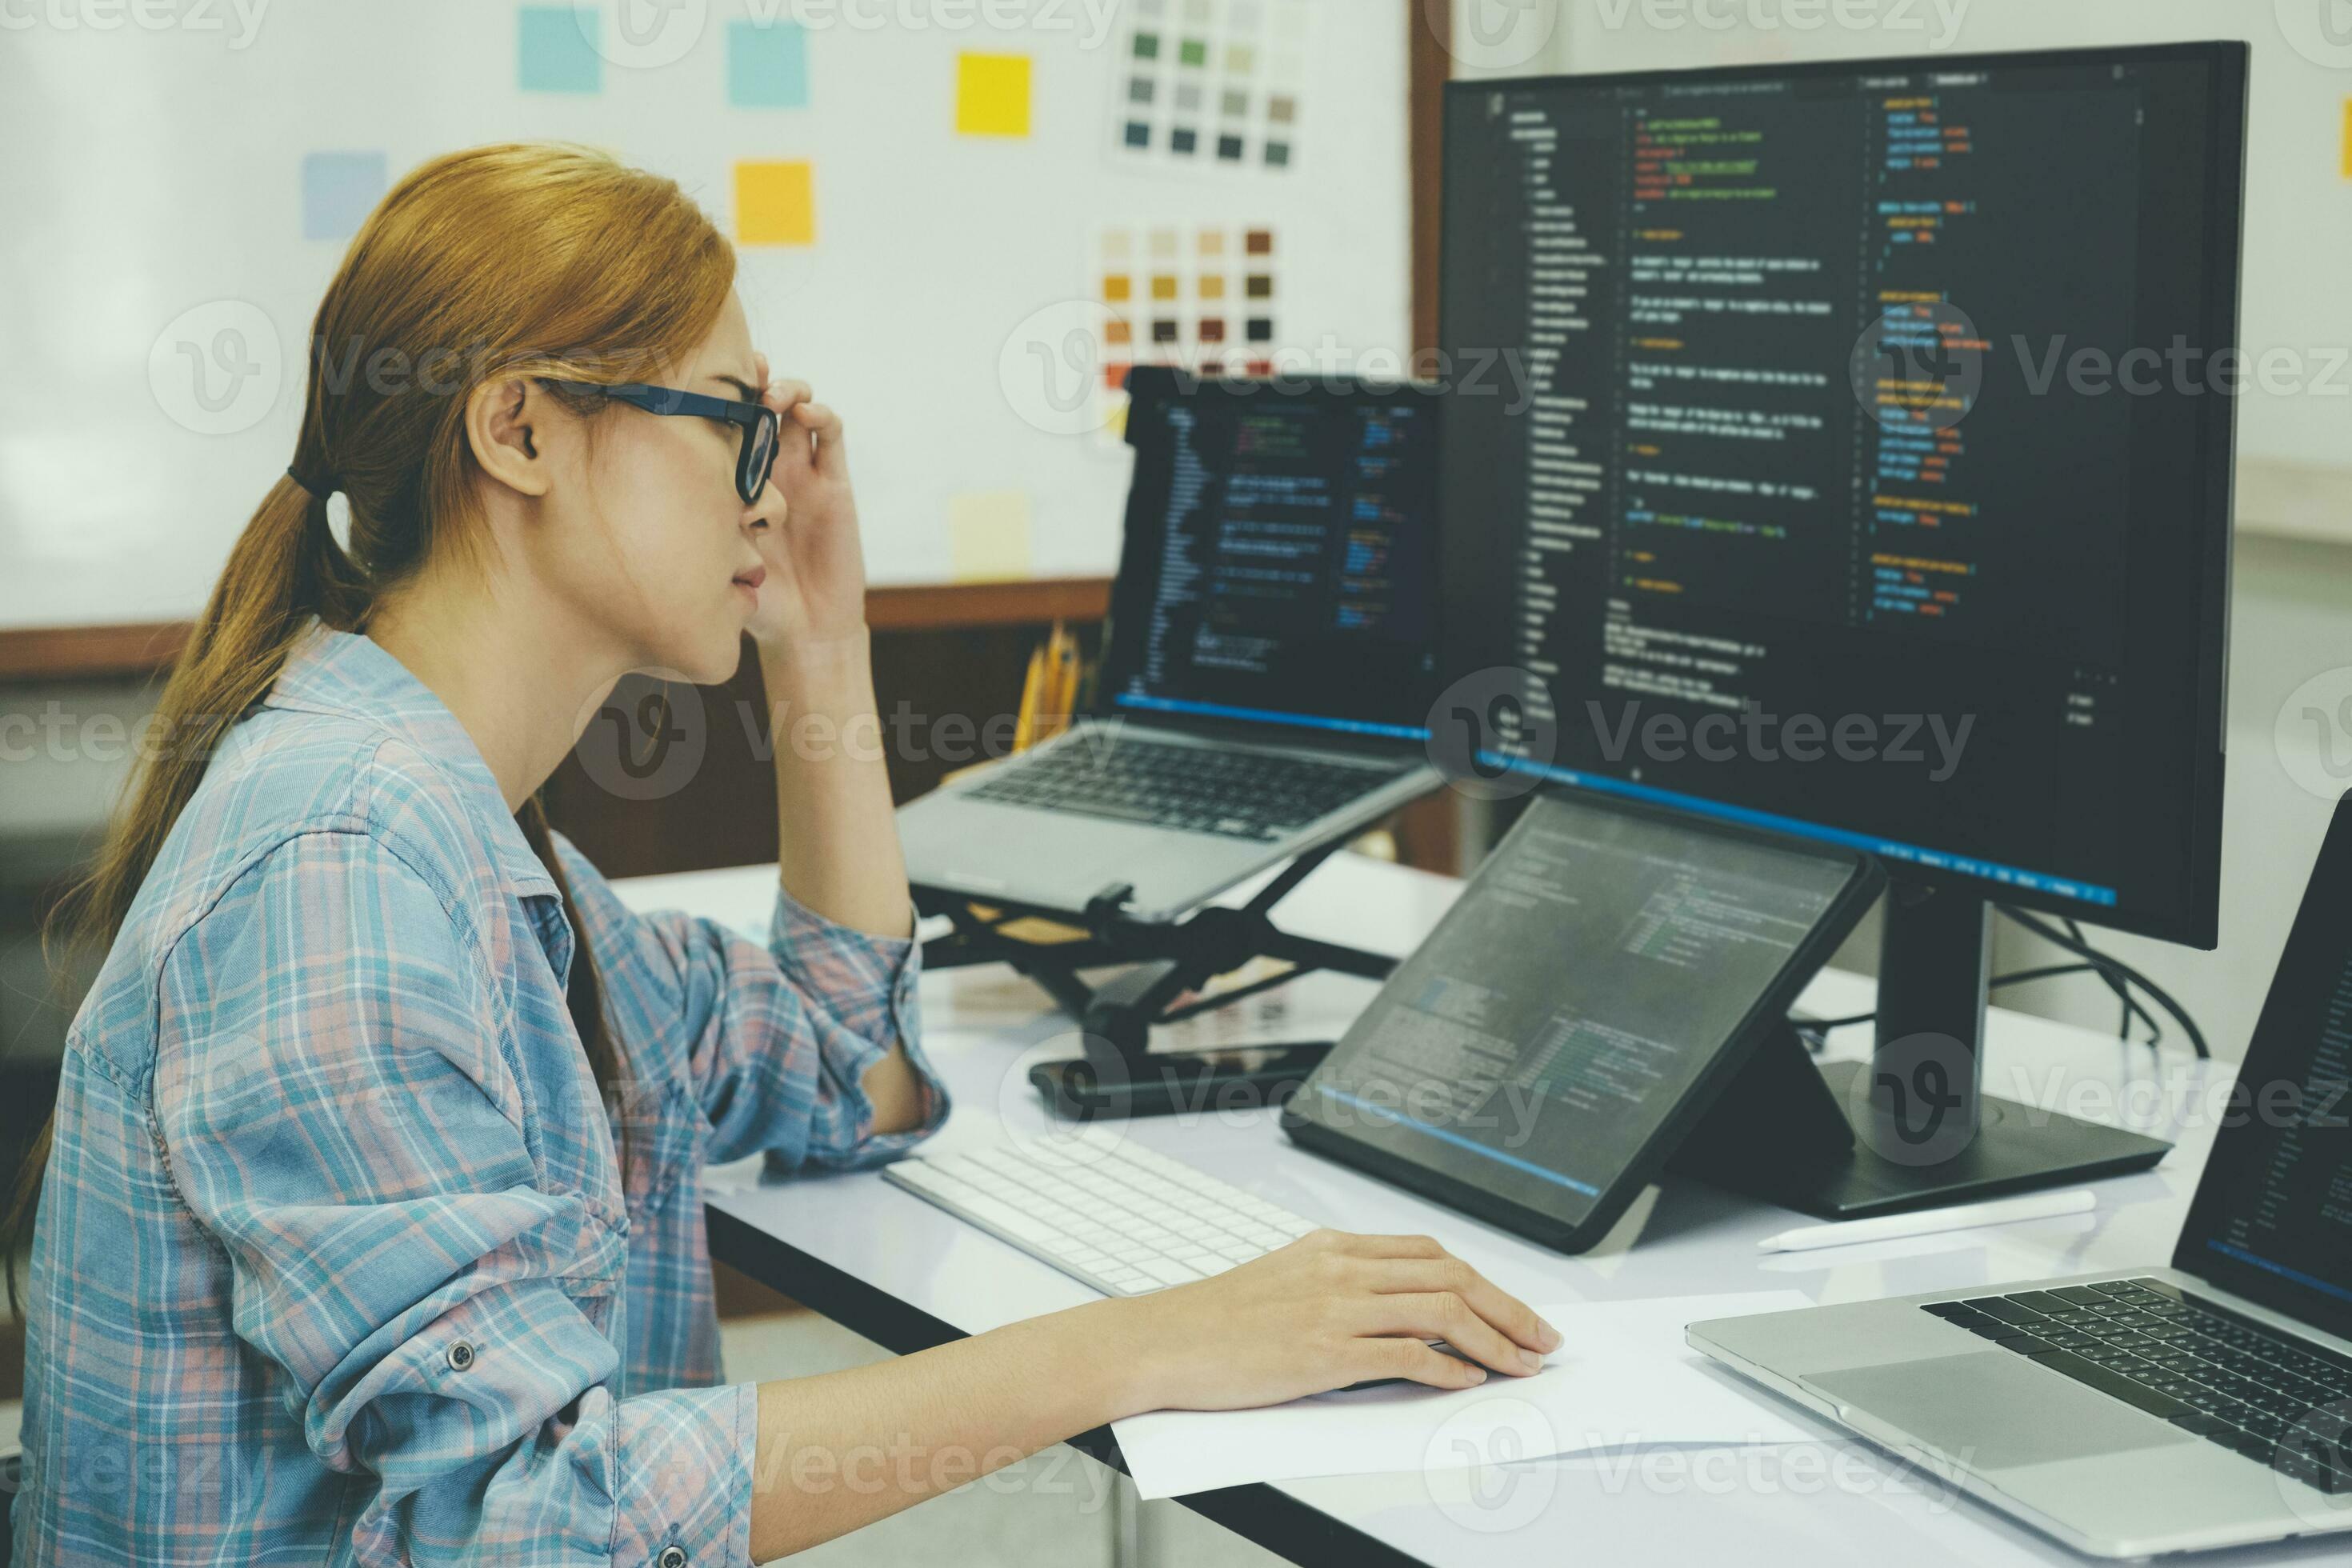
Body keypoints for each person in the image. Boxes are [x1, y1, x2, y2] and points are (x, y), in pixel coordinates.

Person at [8, 144, 1558, 1566]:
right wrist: (1150, 1341)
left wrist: (821, 647)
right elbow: (534, 1508)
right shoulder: (340, 868)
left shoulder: (476, 840)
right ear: (521, 426)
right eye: (738, 425)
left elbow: (845, 1064)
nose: (774, 484)